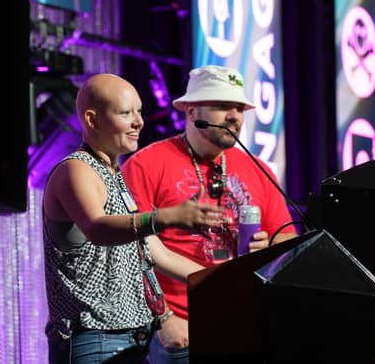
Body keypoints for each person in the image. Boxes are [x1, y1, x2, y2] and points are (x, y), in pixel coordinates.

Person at [42, 72, 227, 364]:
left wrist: (229, 279)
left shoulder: (114, 174)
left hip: (132, 339)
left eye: (139, 111)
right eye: (125, 113)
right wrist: (164, 217)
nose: (139, 122)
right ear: (92, 119)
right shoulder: (75, 169)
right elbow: (98, 228)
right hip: (94, 340)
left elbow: (157, 253)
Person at [121, 65, 298, 363]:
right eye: (222, 105)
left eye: (239, 108)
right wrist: (163, 319)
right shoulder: (147, 164)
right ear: (191, 111)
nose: (235, 116)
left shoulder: (259, 170)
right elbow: (129, 250)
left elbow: (290, 241)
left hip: (243, 324)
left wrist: (268, 249)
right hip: (177, 328)